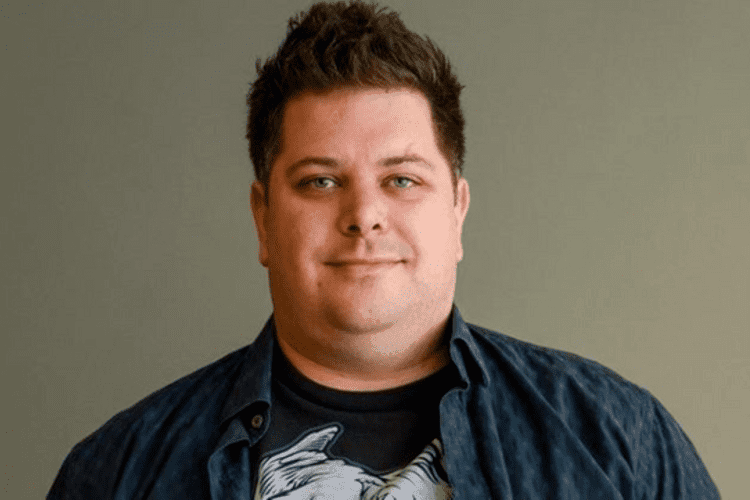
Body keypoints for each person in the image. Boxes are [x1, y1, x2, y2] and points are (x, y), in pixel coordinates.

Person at [48, 1, 720, 498]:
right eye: (320, 181)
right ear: (263, 218)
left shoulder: (616, 441)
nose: (364, 216)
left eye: (401, 179)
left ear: (456, 210)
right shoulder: (118, 473)